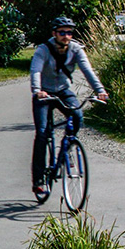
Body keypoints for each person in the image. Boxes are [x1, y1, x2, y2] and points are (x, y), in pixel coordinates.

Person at [30, 16, 108, 196]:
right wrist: (37, 90)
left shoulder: (76, 49)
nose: (66, 36)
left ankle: (68, 146)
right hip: (44, 93)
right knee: (42, 133)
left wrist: (100, 90)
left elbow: (87, 70)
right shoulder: (43, 50)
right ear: (54, 33)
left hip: (64, 90)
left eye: (69, 33)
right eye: (62, 32)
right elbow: (35, 70)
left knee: (78, 116)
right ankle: (39, 179)